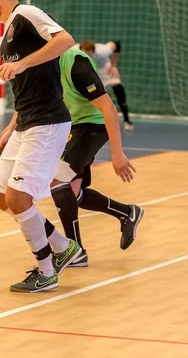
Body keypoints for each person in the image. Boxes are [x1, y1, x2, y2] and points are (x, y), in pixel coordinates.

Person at [0, 0, 82, 293]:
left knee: (18, 197)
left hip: (48, 121)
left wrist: (21, 63)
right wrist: (10, 127)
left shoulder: (26, 14)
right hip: (26, 122)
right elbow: (26, 88)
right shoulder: (8, 30)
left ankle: (46, 270)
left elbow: (65, 40)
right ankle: (63, 246)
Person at [44, 30, 144, 267]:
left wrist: (117, 155)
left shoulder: (77, 62)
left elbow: (109, 109)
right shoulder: (43, 64)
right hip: (73, 125)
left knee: (58, 181)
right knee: (73, 193)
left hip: (92, 125)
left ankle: (74, 251)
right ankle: (127, 213)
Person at [79, 39, 134, 131]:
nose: (87, 55)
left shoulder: (103, 51)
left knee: (117, 86)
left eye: (90, 53)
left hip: (103, 68)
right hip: (89, 69)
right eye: (85, 53)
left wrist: (114, 65)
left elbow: (117, 43)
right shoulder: (73, 51)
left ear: (94, 51)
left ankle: (127, 120)